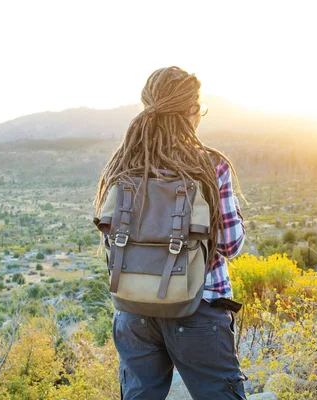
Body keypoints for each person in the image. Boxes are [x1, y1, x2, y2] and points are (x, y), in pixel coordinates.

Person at [94, 66, 247, 399]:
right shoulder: (210, 165)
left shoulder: (124, 164)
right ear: (192, 110)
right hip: (200, 307)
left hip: (133, 310)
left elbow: (111, 238)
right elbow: (231, 245)